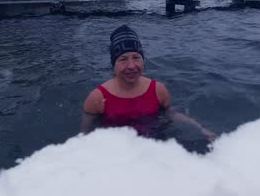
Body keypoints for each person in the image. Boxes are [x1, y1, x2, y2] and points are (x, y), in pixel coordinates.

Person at [81, 24, 216, 141]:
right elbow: (86, 135)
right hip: (118, 154)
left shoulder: (158, 90)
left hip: (153, 147)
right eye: (123, 59)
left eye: (136, 57)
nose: (131, 65)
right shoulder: (97, 98)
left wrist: (201, 129)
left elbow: (171, 114)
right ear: (114, 64)